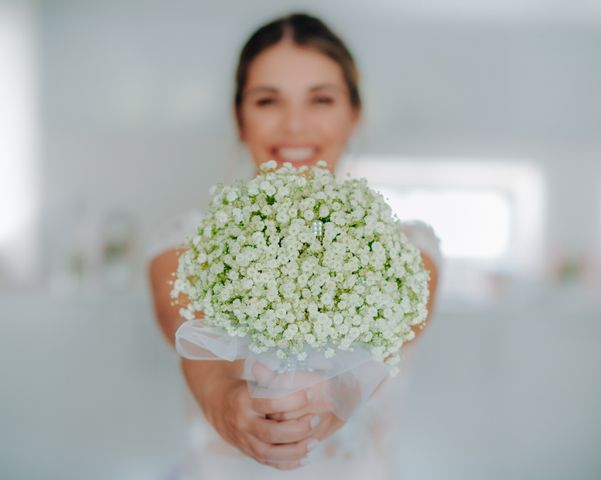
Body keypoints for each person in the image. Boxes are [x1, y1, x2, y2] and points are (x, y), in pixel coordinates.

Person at [148, 12, 441, 479]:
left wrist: (330, 396)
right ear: (239, 118)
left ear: (354, 114)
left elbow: (391, 335)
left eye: (321, 99)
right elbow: (192, 344)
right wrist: (225, 401)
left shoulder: (408, 250)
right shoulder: (185, 246)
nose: (295, 125)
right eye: (268, 101)